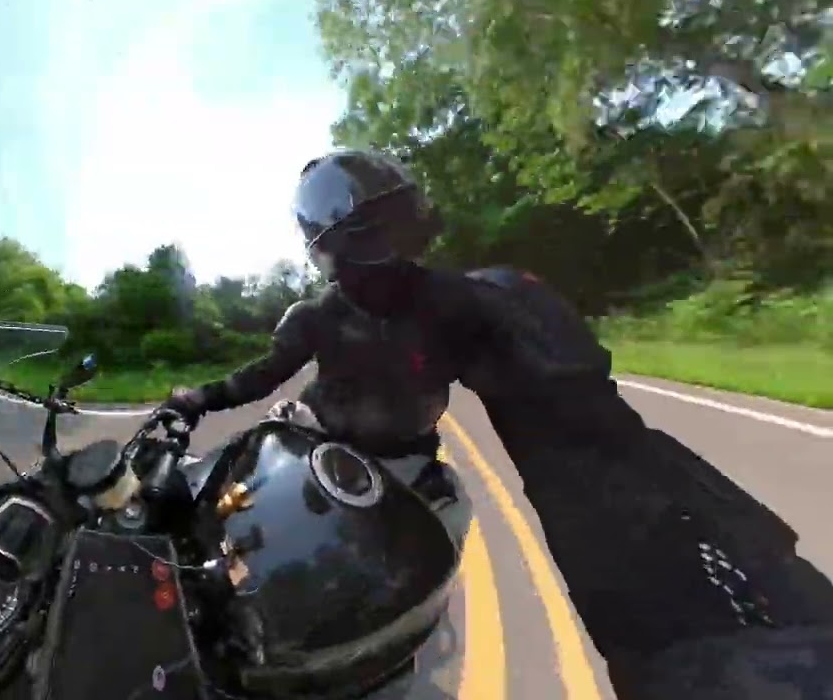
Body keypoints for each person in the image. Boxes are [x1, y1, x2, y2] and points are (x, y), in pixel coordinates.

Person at [159, 149, 833, 699]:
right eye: (371, 234)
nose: (389, 252)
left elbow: (580, 422)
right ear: (332, 248)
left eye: (397, 228)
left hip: (412, 471)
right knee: (233, 520)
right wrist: (197, 400)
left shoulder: (463, 301)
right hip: (315, 449)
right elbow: (263, 376)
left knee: (404, 596)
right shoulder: (314, 318)